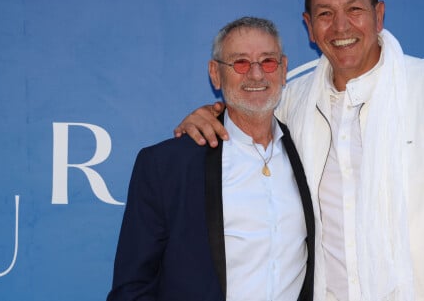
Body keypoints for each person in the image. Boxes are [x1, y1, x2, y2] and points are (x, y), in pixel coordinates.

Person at [174, 0, 424, 301]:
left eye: (355, 10)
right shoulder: (291, 102)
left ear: (379, 15)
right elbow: (246, 115)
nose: (341, 27)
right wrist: (210, 114)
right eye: (326, 14)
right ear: (309, 27)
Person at [107, 17, 315, 301]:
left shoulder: (310, 150)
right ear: (215, 74)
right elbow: (132, 288)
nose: (256, 75)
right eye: (240, 63)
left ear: (283, 70)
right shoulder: (166, 166)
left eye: (268, 61)